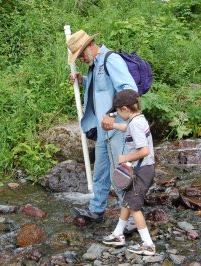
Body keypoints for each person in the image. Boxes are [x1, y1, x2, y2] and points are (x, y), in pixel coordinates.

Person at [66, 29, 138, 232]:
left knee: (121, 175)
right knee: (100, 173)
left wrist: (113, 115)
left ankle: (132, 218)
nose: (80, 60)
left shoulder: (110, 59)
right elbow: (102, 90)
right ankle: (96, 210)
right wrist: (83, 81)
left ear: (90, 46)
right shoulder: (94, 66)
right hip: (102, 130)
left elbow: (129, 90)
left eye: (81, 55)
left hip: (117, 130)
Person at [100, 89, 156, 255]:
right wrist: (113, 125)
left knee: (134, 206)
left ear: (125, 109)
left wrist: (125, 158)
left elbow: (144, 150)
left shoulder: (136, 124)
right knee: (127, 200)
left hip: (142, 170)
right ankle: (118, 234)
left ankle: (148, 244)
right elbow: (128, 127)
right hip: (142, 169)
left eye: (117, 111)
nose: (116, 113)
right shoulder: (137, 119)